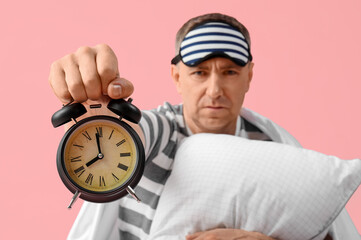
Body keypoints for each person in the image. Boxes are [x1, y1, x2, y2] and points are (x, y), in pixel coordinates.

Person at [49, 13, 359, 240]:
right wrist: (103, 118)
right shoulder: (161, 132)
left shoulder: (271, 148)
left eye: (230, 72)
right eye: (199, 72)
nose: (214, 90)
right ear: (176, 76)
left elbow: (325, 228)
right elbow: (137, 131)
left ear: (249, 76)